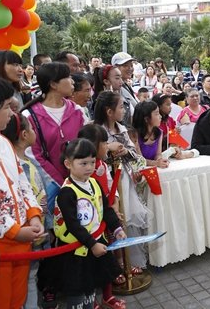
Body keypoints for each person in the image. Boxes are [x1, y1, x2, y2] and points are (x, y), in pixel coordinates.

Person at [52, 138, 126, 309]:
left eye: (92, 162)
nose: (89, 167)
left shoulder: (93, 183)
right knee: (78, 294)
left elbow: (105, 209)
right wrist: (92, 244)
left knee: (91, 288)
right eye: (83, 163)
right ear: (68, 164)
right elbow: (73, 224)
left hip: (95, 243)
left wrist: (116, 228)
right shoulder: (67, 192)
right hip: (76, 251)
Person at [0, 77, 44, 309]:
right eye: (5, 108)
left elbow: (22, 182)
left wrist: (33, 215)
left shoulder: (2, 141)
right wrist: (13, 231)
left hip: (22, 237)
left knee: (17, 298)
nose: (12, 115)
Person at [93, 91, 150, 275]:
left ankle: (130, 262)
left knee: (129, 220)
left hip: (125, 179)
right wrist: (108, 148)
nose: (124, 110)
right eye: (121, 107)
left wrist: (125, 151)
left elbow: (135, 155)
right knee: (112, 222)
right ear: (109, 111)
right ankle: (116, 266)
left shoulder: (123, 129)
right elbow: (91, 154)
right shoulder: (96, 131)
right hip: (105, 182)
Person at [76, 124, 127, 308]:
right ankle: (93, 300)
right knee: (90, 266)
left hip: (106, 221)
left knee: (107, 260)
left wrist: (114, 205)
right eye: (104, 142)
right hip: (91, 228)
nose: (107, 146)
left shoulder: (103, 165)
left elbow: (110, 187)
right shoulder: (80, 173)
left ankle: (108, 295)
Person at [21, 62, 85, 186]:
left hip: (79, 183)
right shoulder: (29, 116)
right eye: (68, 77)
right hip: (48, 187)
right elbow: (33, 155)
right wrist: (60, 182)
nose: (72, 82)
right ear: (53, 84)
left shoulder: (78, 111)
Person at [132, 101, 170, 168]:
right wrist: (156, 163)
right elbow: (139, 160)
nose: (160, 116)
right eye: (157, 114)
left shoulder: (159, 132)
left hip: (153, 169)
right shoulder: (133, 135)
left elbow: (158, 154)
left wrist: (160, 160)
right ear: (146, 119)